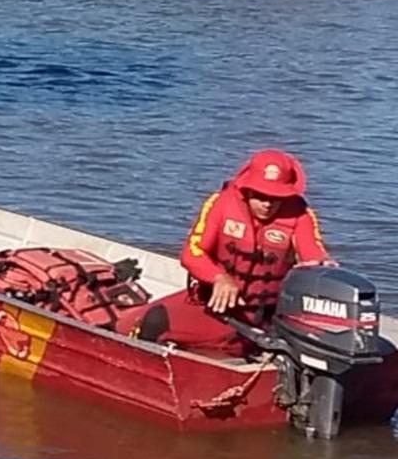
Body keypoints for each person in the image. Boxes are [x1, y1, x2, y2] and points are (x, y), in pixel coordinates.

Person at [124, 149, 335, 356]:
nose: (267, 203)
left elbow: (313, 253)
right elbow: (192, 252)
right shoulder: (220, 203)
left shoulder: (300, 214)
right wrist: (218, 278)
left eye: (275, 197)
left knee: (157, 321)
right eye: (261, 195)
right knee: (150, 320)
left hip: (266, 317)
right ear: (248, 189)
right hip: (214, 308)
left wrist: (323, 267)